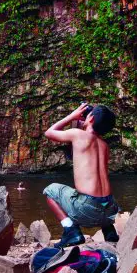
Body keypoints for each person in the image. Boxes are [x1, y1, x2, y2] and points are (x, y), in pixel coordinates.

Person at [43, 103, 120, 247]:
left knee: (50, 190)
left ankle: (70, 230)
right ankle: (109, 231)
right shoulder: (104, 146)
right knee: (100, 197)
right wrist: (79, 124)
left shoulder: (78, 135)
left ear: (90, 119)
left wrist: (72, 116)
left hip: (88, 209)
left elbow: (49, 132)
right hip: (110, 209)